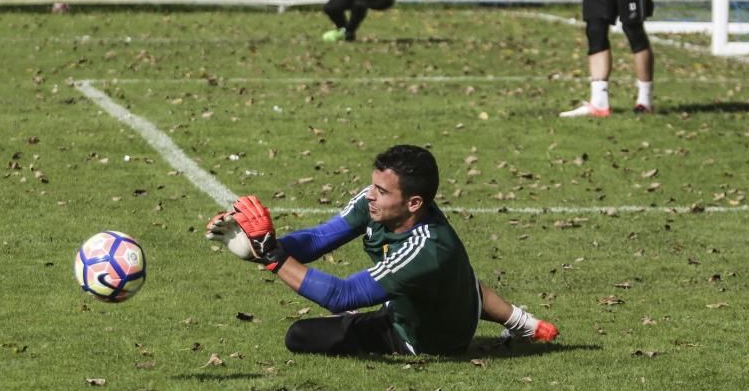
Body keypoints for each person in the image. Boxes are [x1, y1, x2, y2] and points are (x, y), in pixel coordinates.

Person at [206, 145, 558, 357]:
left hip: (427, 340)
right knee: (443, 283)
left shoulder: (427, 248)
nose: (370, 196)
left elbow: (343, 295)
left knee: (299, 336)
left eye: (382, 191)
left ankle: (520, 323)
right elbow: (317, 239)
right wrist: (260, 245)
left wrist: (272, 255)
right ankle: (523, 323)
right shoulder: (377, 203)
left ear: (414, 202)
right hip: (442, 297)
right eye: (373, 185)